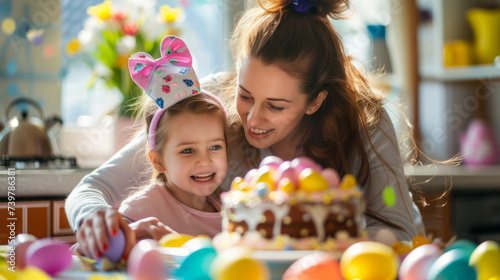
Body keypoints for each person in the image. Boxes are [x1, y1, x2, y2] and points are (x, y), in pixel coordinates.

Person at [67, 0, 425, 260]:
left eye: (276, 106)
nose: (252, 119)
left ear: (314, 102)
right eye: (245, 95)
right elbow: (92, 188)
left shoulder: (367, 124)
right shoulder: (207, 106)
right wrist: (95, 217)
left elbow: (400, 233)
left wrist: (311, 247)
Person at [74, 36, 229, 260]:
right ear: (158, 160)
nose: (205, 161)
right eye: (188, 150)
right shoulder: (140, 212)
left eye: (215, 147)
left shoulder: (229, 210)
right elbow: (89, 257)